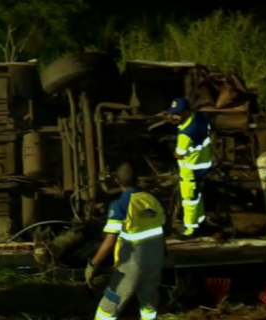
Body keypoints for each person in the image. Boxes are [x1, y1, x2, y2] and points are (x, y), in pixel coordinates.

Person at [85, 162, 165, 320]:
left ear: (117, 181)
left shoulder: (120, 205)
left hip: (131, 265)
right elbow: (161, 230)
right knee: (148, 302)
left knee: (108, 306)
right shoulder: (153, 200)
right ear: (137, 179)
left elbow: (109, 242)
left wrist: (93, 265)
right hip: (155, 261)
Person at [168, 97, 213, 237]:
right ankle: (200, 220)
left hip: (191, 170)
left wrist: (173, 152)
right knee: (198, 194)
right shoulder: (198, 116)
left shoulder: (185, 134)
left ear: (186, 112)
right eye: (173, 113)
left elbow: (179, 154)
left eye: (178, 114)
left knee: (189, 200)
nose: (174, 117)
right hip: (204, 163)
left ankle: (189, 229)